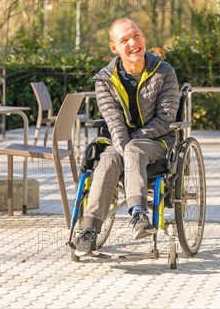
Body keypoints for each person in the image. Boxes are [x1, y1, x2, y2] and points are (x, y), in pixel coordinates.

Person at [75, 18, 180, 256]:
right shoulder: (104, 80)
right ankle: (89, 230)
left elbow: (165, 119)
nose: (133, 43)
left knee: (132, 150)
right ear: (114, 48)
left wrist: (131, 144)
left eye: (136, 36)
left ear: (143, 36)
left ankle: (138, 215)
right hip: (121, 141)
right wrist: (125, 145)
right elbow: (114, 122)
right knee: (109, 159)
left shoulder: (164, 72)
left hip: (157, 142)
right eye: (124, 40)